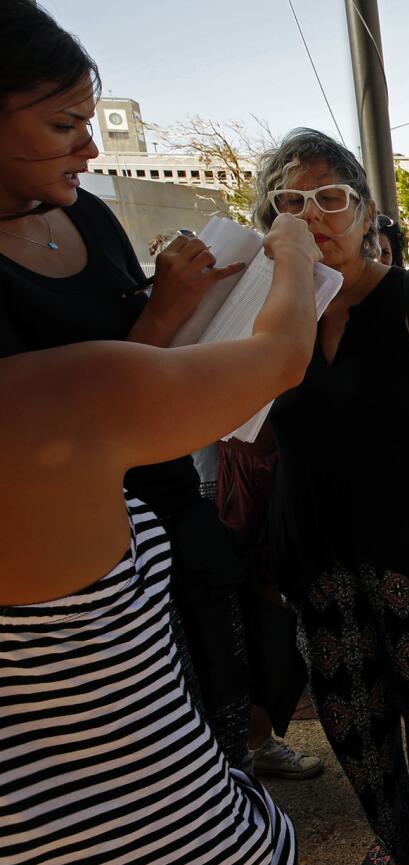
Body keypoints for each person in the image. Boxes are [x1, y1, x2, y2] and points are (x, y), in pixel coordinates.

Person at [0, 209, 318, 865]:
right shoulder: (54, 395)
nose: (85, 147)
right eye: (64, 121)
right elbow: (280, 355)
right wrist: (295, 253)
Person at [0, 0, 256, 766]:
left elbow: (141, 362)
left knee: (217, 718)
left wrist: (202, 306)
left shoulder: (87, 218)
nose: (86, 143)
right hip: (72, 586)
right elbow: (70, 420)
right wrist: (166, 313)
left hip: (172, 511)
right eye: (62, 124)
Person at [256, 128, 409, 865]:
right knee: (352, 717)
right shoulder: (266, 313)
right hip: (317, 558)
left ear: (365, 213)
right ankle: (397, 832)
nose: (313, 214)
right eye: (292, 200)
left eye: (332, 197)